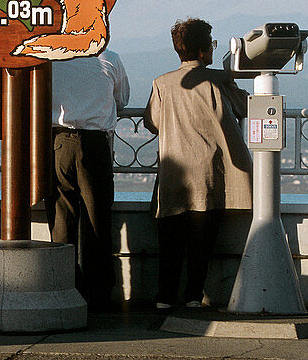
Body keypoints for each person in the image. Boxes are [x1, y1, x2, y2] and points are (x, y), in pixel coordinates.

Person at [144, 18, 251, 309]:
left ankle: (165, 296)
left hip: (173, 175)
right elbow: (245, 107)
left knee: (170, 242)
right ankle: (193, 295)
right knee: (202, 242)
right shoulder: (219, 80)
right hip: (209, 174)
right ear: (205, 51)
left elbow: (152, 122)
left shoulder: (161, 83)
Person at [46, 49, 130, 311]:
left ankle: (62, 289)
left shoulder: (52, 56)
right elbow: (122, 99)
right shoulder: (110, 58)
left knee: (61, 219)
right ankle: (98, 295)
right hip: (95, 144)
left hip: (58, 143)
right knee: (97, 220)